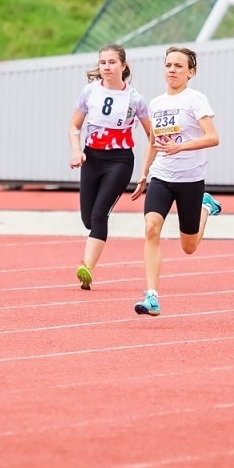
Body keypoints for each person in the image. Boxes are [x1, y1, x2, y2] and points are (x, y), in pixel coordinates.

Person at [128, 46, 220, 316]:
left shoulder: (195, 100)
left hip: (191, 179)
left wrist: (182, 147)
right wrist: (144, 174)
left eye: (179, 66)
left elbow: (213, 137)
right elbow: (154, 142)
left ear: (191, 72)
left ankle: (205, 207)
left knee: (188, 247)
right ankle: (152, 296)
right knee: (151, 228)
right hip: (162, 176)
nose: (172, 70)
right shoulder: (156, 103)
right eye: (168, 65)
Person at [68, 44, 153, 290]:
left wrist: (146, 172)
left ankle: (87, 268)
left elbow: (152, 136)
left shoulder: (135, 99)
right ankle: (90, 254)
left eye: (112, 62)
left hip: (120, 161)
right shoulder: (89, 92)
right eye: (103, 62)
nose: (106, 67)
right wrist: (77, 151)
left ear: (123, 66)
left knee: (99, 214)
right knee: (88, 219)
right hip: (92, 159)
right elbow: (74, 127)